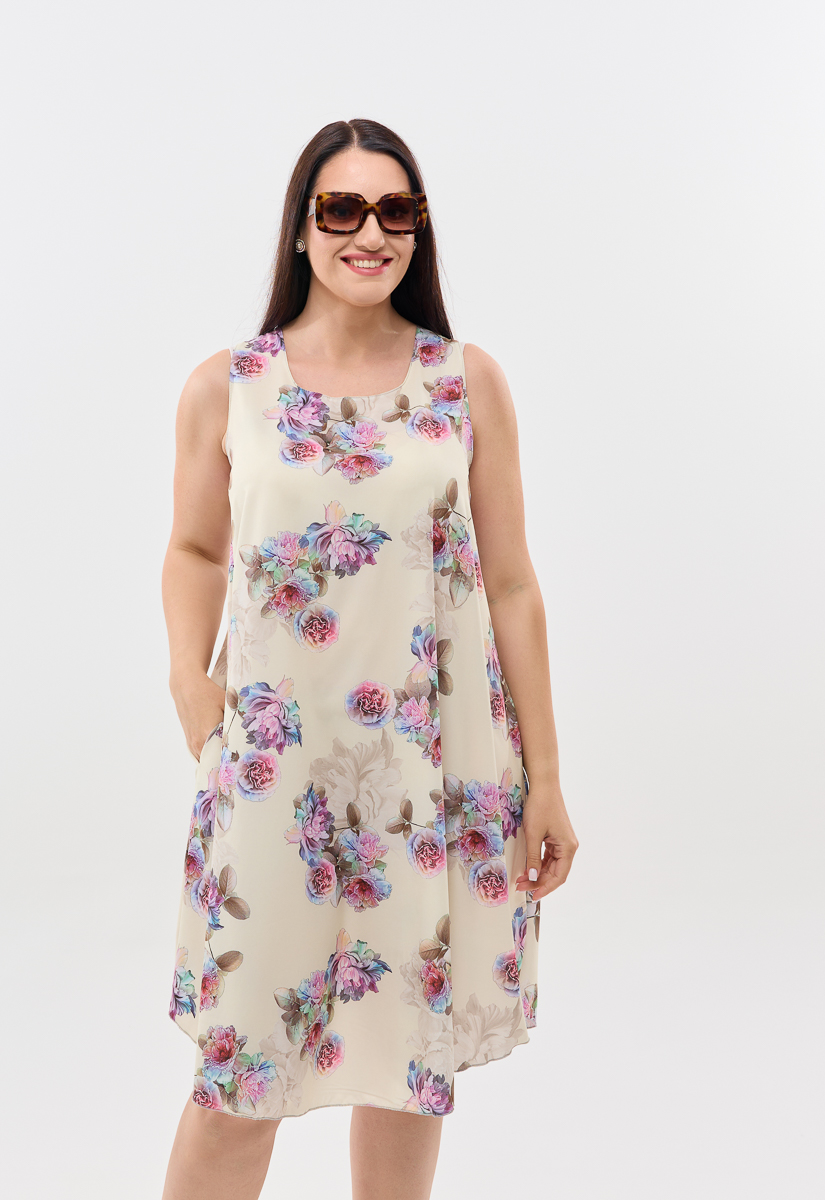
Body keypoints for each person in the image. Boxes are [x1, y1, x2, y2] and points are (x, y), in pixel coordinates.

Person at [159, 118, 578, 1200]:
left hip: (430, 776)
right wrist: (191, 684)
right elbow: (195, 549)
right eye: (342, 209)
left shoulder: (464, 381)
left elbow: (513, 584)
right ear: (302, 229)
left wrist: (545, 778)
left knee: (404, 1072)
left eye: (396, 211)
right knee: (241, 1078)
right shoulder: (228, 386)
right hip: (278, 775)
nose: (370, 233)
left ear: (418, 230)